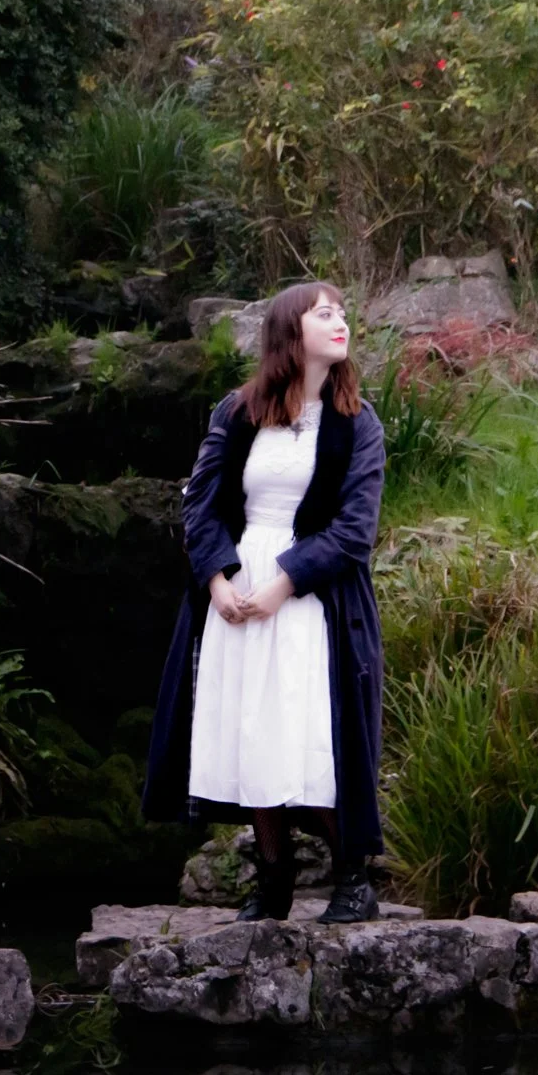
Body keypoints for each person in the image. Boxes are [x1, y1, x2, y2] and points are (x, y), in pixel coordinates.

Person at [141, 280, 388, 923]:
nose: (340, 323)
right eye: (324, 314)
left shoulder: (357, 423)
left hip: (312, 600)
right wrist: (219, 580)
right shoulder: (239, 410)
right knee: (251, 731)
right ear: (289, 331)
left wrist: (284, 582)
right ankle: (273, 879)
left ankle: (353, 878)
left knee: (307, 736)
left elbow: (355, 528)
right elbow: (199, 501)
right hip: (238, 590)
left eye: (342, 313)